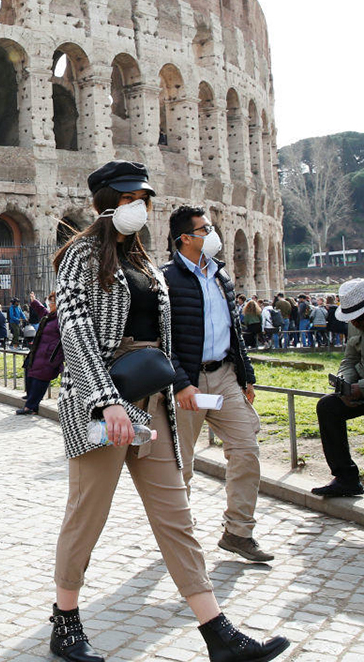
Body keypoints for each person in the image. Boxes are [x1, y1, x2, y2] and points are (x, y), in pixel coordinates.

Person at [49, 161, 288, 662]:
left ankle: (216, 631)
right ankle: (65, 620)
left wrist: (176, 388)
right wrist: (106, 400)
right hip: (101, 400)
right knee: (87, 514)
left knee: (175, 515)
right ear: (106, 202)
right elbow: (74, 327)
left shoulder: (143, 260)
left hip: (152, 402)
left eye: (144, 197)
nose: (140, 204)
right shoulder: (81, 255)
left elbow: (163, 337)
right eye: (130, 196)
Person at [164, 206, 271, 564]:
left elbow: (234, 332)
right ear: (185, 238)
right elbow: (163, 340)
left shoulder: (222, 276)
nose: (212, 233)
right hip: (187, 382)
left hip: (224, 375)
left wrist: (247, 377)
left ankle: (239, 532)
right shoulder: (166, 279)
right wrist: (180, 383)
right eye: (204, 228)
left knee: (246, 450)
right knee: (182, 465)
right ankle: (180, 535)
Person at [311, 279, 364, 497]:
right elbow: (349, 359)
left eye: (359, 318)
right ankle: (346, 478)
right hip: (359, 386)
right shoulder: (355, 322)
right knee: (328, 406)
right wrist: (344, 384)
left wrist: (360, 388)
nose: (356, 323)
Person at [17, 292, 61, 416]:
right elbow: (43, 311)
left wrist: (55, 354)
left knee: (40, 380)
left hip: (49, 355)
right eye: (50, 302)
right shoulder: (51, 316)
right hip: (39, 352)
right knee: (31, 375)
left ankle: (30, 407)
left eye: (52, 303)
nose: (50, 305)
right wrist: (34, 301)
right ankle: (32, 405)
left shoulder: (61, 318)